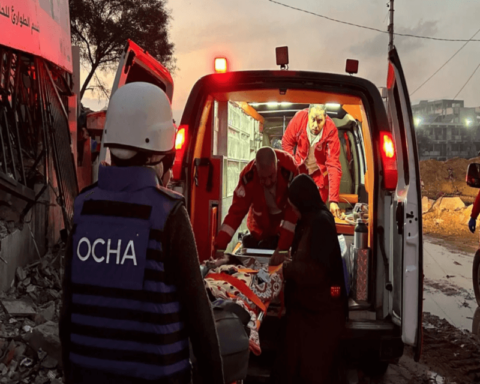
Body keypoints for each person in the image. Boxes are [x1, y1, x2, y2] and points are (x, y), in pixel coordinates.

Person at [59, 82, 224, 384]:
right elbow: (200, 321)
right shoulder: (168, 214)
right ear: (158, 150)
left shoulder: (84, 207)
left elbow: (68, 312)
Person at [272, 174, 347, 384]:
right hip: (309, 312)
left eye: (295, 207)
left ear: (303, 201)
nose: (293, 212)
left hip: (319, 317)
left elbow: (317, 272)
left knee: (312, 372)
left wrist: (287, 268)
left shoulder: (320, 223)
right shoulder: (312, 219)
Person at [213, 147, 299, 266]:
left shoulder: (290, 169)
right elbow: (235, 214)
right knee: (253, 242)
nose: (268, 182)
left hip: (283, 222)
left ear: (277, 165)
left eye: (271, 177)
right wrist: (220, 247)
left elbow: (292, 214)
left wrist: (283, 249)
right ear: (256, 169)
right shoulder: (248, 177)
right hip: (261, 225)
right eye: (263, 178)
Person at [282, 104, 342, 218]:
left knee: (317, 213)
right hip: (300, 169)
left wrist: (334, 200)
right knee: (295, 207)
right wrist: (292, 169)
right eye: (313, 120)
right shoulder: (299, 119)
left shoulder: (331, 130)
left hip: (319, 175)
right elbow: (286, 144)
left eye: (320, 121)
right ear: (308, 115)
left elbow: (333, 164)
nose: (315, 125)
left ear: (325, 118)